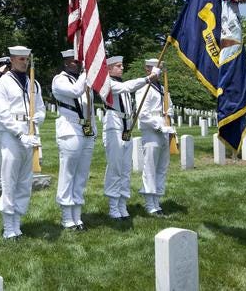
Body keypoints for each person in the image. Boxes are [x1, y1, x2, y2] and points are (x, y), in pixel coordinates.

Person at [0, 45, 45, 239]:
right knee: (9, 180)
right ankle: (8, 226)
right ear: (12, 60)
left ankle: (17, 223)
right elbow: (2, 113)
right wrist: (19, 133)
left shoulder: (34, 84)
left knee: (25, 182)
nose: (25, 62)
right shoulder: (2, 83)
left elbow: (40, 107)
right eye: (21, 59)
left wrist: (38, 119)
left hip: (31, 134)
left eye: (26, 59)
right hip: (12, 135)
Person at [102, 56, 159, 220]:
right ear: (109, 68)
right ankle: (113, 206)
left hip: (127, 125)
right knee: (115, 166)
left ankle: (122, 203)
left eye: (122, 65)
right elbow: (127, 87)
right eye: (118, 66)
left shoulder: (121, 84)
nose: (122, 68)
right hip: (114, 124)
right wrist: (148, 79)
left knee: (126, 168)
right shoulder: (107, 83)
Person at [52, 49, 95, 230]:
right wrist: (87, 72)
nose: (78, 65)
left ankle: (77, 216)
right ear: (66, 62)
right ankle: (66, 217)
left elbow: (90, 107)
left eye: (80, 62)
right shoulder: (59, 80)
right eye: (75, 62)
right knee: (68, 174)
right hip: (70, 128)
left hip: (86, 129)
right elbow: (76, 92)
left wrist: (94, 131)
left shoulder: (84, 80)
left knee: (81, 175)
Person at [135, 59, 175, 216]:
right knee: (150, 167)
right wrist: (158, 125)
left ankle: (157, 200)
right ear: (147, 69)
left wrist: (168, 118)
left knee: (161, 167)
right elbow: (142, 113)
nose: (159, 71)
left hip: (164, 127)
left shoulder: (162, 88)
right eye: (155, 69)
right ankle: (149, 204)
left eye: (160, 68)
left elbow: (169, 106)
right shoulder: (144, 88)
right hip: (152, 130)